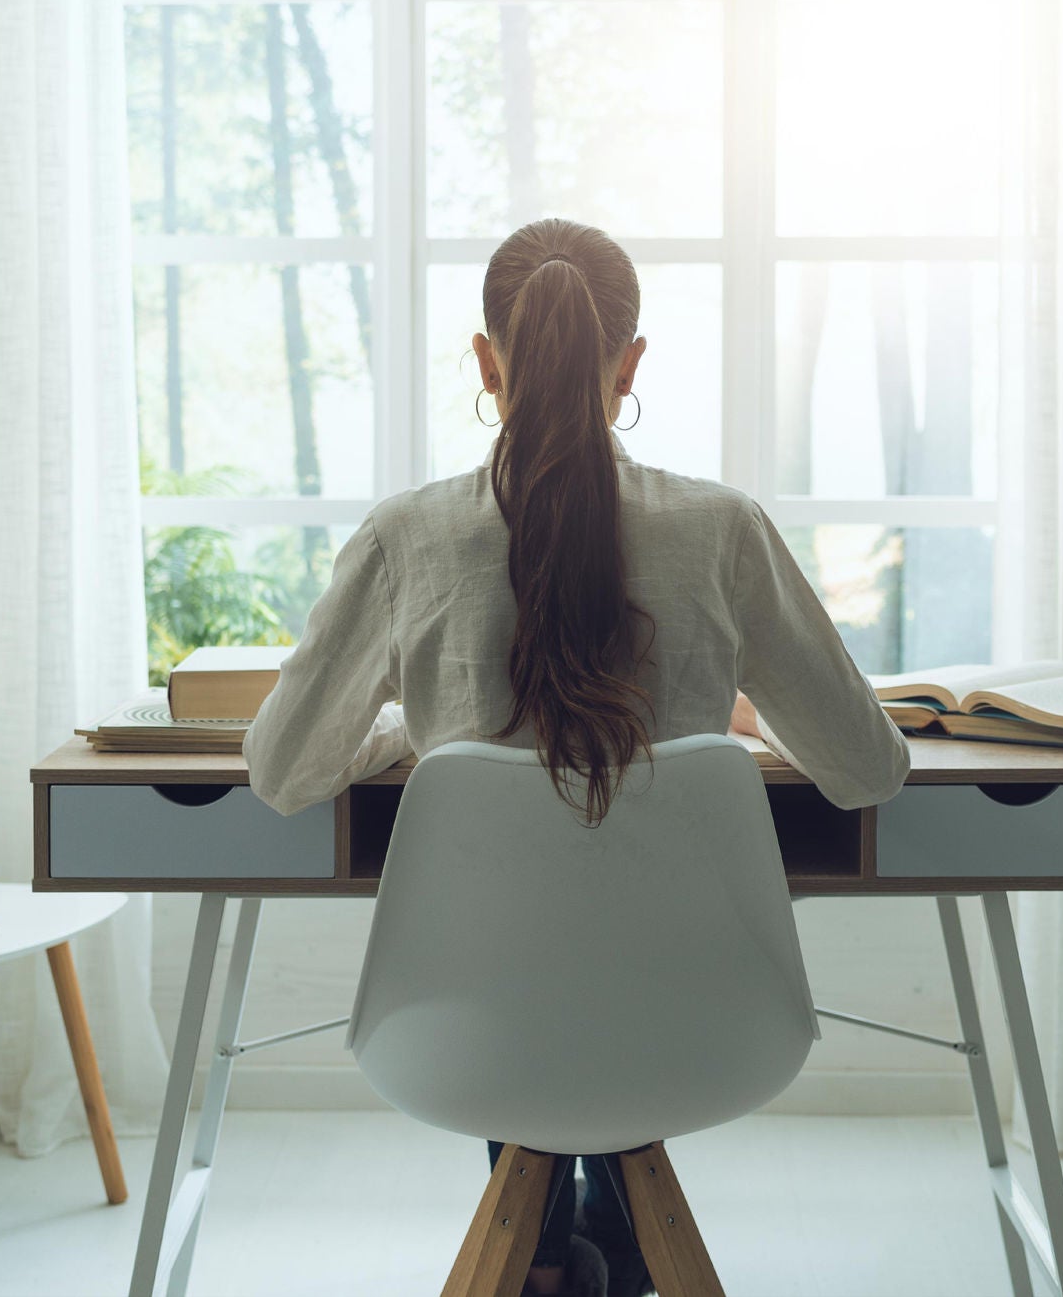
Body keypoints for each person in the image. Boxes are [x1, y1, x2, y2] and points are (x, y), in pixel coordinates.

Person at [245, 217, 910, 1297]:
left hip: (467, 1034)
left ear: (486, 361)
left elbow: (279, 772)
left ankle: (553, 1249)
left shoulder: (408, 537)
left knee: (527, 971)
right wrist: (730, 717)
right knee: (613, 964)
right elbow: (868, 772)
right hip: (699, 1024)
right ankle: (592, 1239)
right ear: (629, 363)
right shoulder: (721, 529)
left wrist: (425, 730)